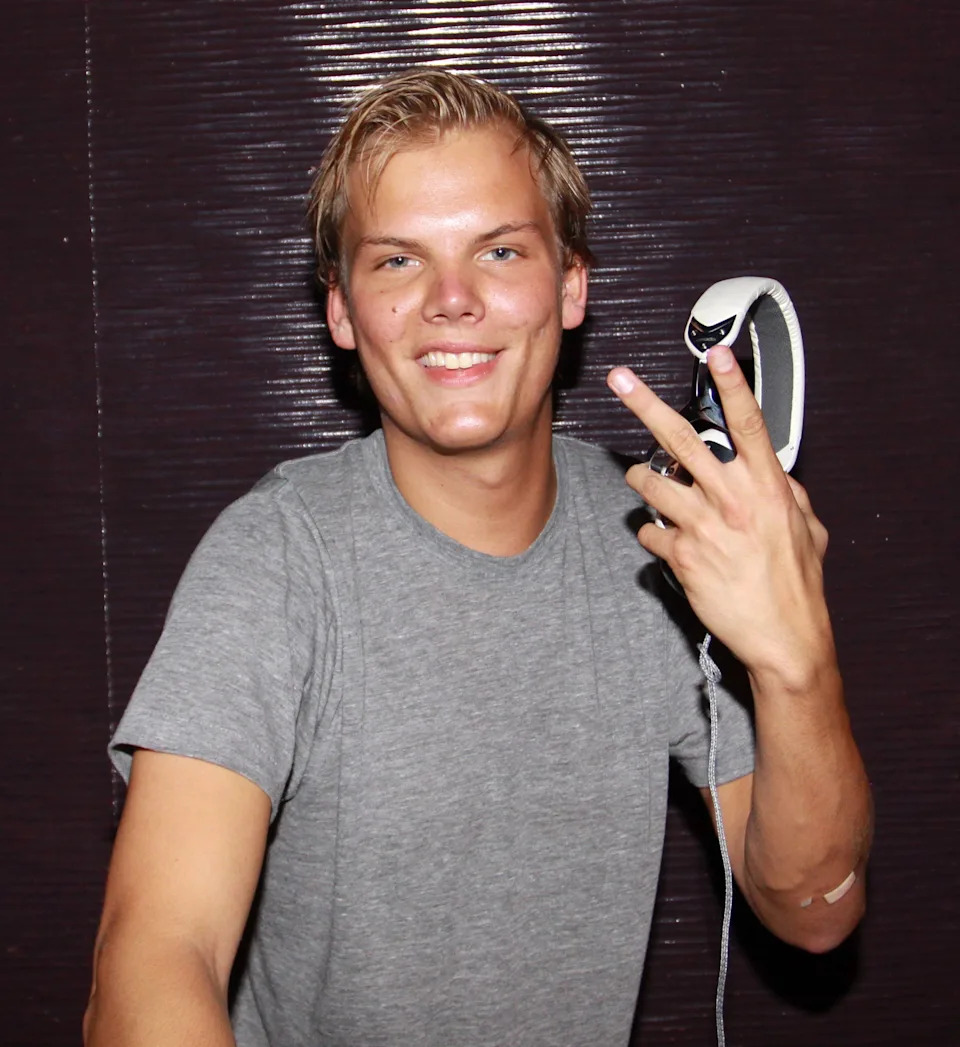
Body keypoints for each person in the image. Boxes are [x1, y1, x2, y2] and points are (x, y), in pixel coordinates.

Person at [84, 68, 872, 1047]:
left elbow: (814, 911)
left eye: (499, 250)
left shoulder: (668, 539)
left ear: (570, 285)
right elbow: (153, 958)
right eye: (399, 262)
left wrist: (801, 662)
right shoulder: (277, 559)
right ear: (341, 313)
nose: (453, 300)